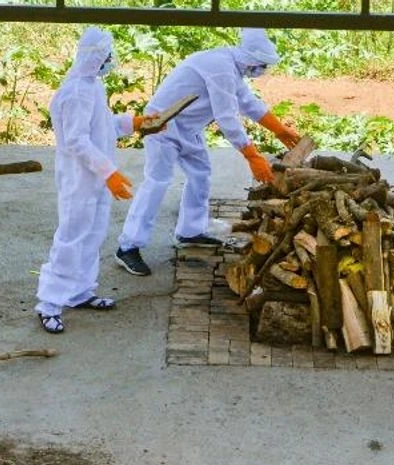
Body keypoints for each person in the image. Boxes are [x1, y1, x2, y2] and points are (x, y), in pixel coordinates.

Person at [114, 28, 301, 276]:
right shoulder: (220, 66)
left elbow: (248, 103)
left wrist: (279, 129)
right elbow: (226, 117)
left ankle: (190, 231)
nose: (261, 71)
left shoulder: (232, 69)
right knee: (157, 182)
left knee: (201, 174)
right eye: (261, 66)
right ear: (250, 59)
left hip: (188, 128)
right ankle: (127, 247)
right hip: (163, 125)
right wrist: (252, 155)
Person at [33, 27, 163, 334]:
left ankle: (80, 292)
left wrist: (135, 123)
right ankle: (49, 304)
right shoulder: (76, 92)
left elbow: (102, 128)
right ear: (95, 57)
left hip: (96, 179)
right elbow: (77, 141)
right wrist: (109, 173)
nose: (111, 60)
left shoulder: (93, 87)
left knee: (92, 235)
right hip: (80, 179)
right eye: (107, 55)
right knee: (71, 238)